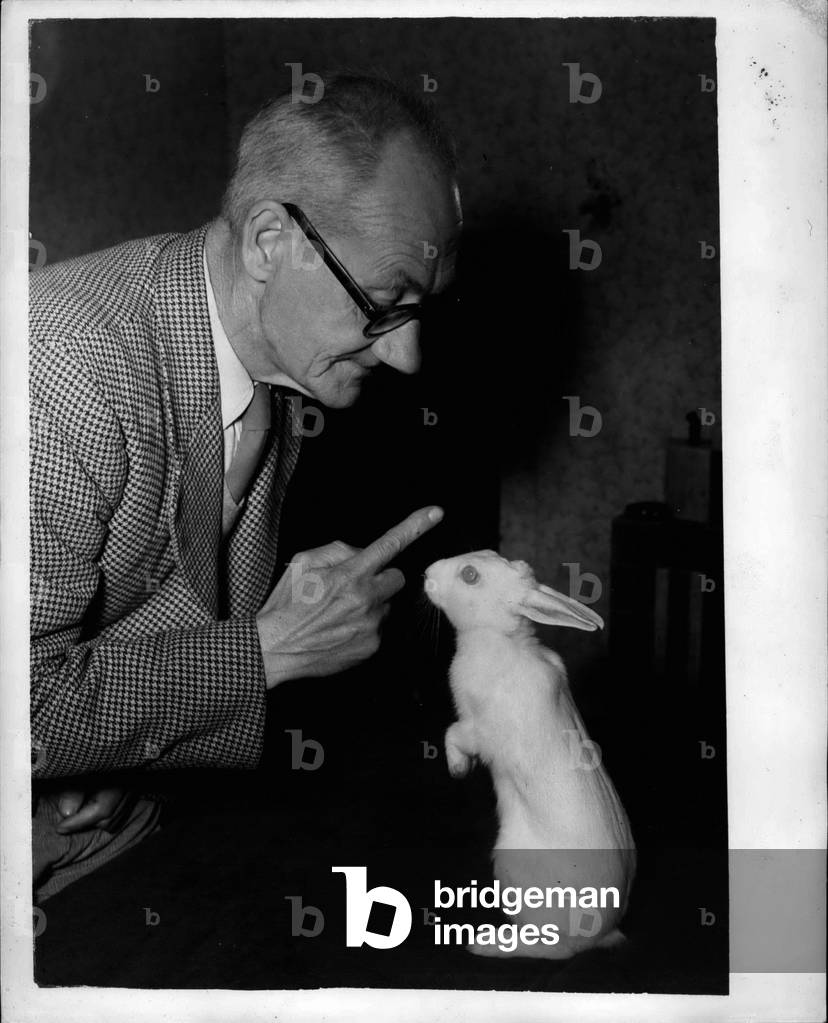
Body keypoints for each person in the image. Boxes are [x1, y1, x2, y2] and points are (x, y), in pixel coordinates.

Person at [29, 72, 462, 900]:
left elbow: (136, 636)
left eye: (422, 310)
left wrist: (119, 747)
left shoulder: (274, 368)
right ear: (269, 242)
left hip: (119, 837)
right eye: (382, 304)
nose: (408, 356)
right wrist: (273, 647)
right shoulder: (64, 366)